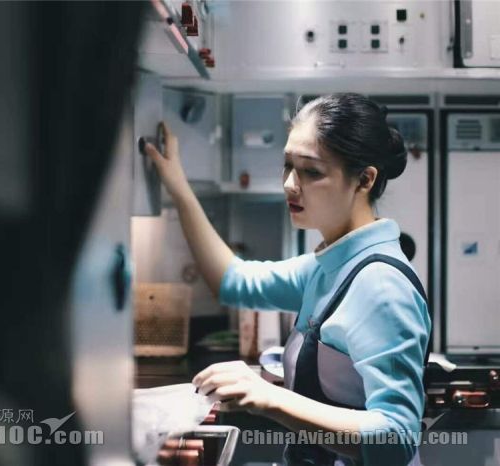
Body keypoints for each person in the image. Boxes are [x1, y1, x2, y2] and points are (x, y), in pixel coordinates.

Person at [144, 93, 431, 466]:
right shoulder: (328, 267)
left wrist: (271, 398)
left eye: (311, 171)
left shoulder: (380, 284)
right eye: (287, 166)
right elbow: (233, 281)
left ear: (364, 179)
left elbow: (397, 438)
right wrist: (178, 187)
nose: (290, 184)